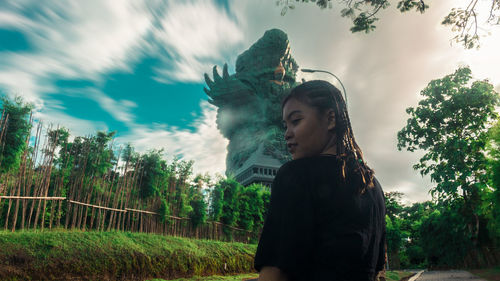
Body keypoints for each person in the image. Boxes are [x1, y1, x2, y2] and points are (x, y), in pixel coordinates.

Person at [253, 80, 386, 281]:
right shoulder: (374, 187)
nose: (287, 134)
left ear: (330, 119)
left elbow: (275, 272)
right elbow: (376, 271)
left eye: (296, 121)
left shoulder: (295, 175)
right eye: (285, 125)